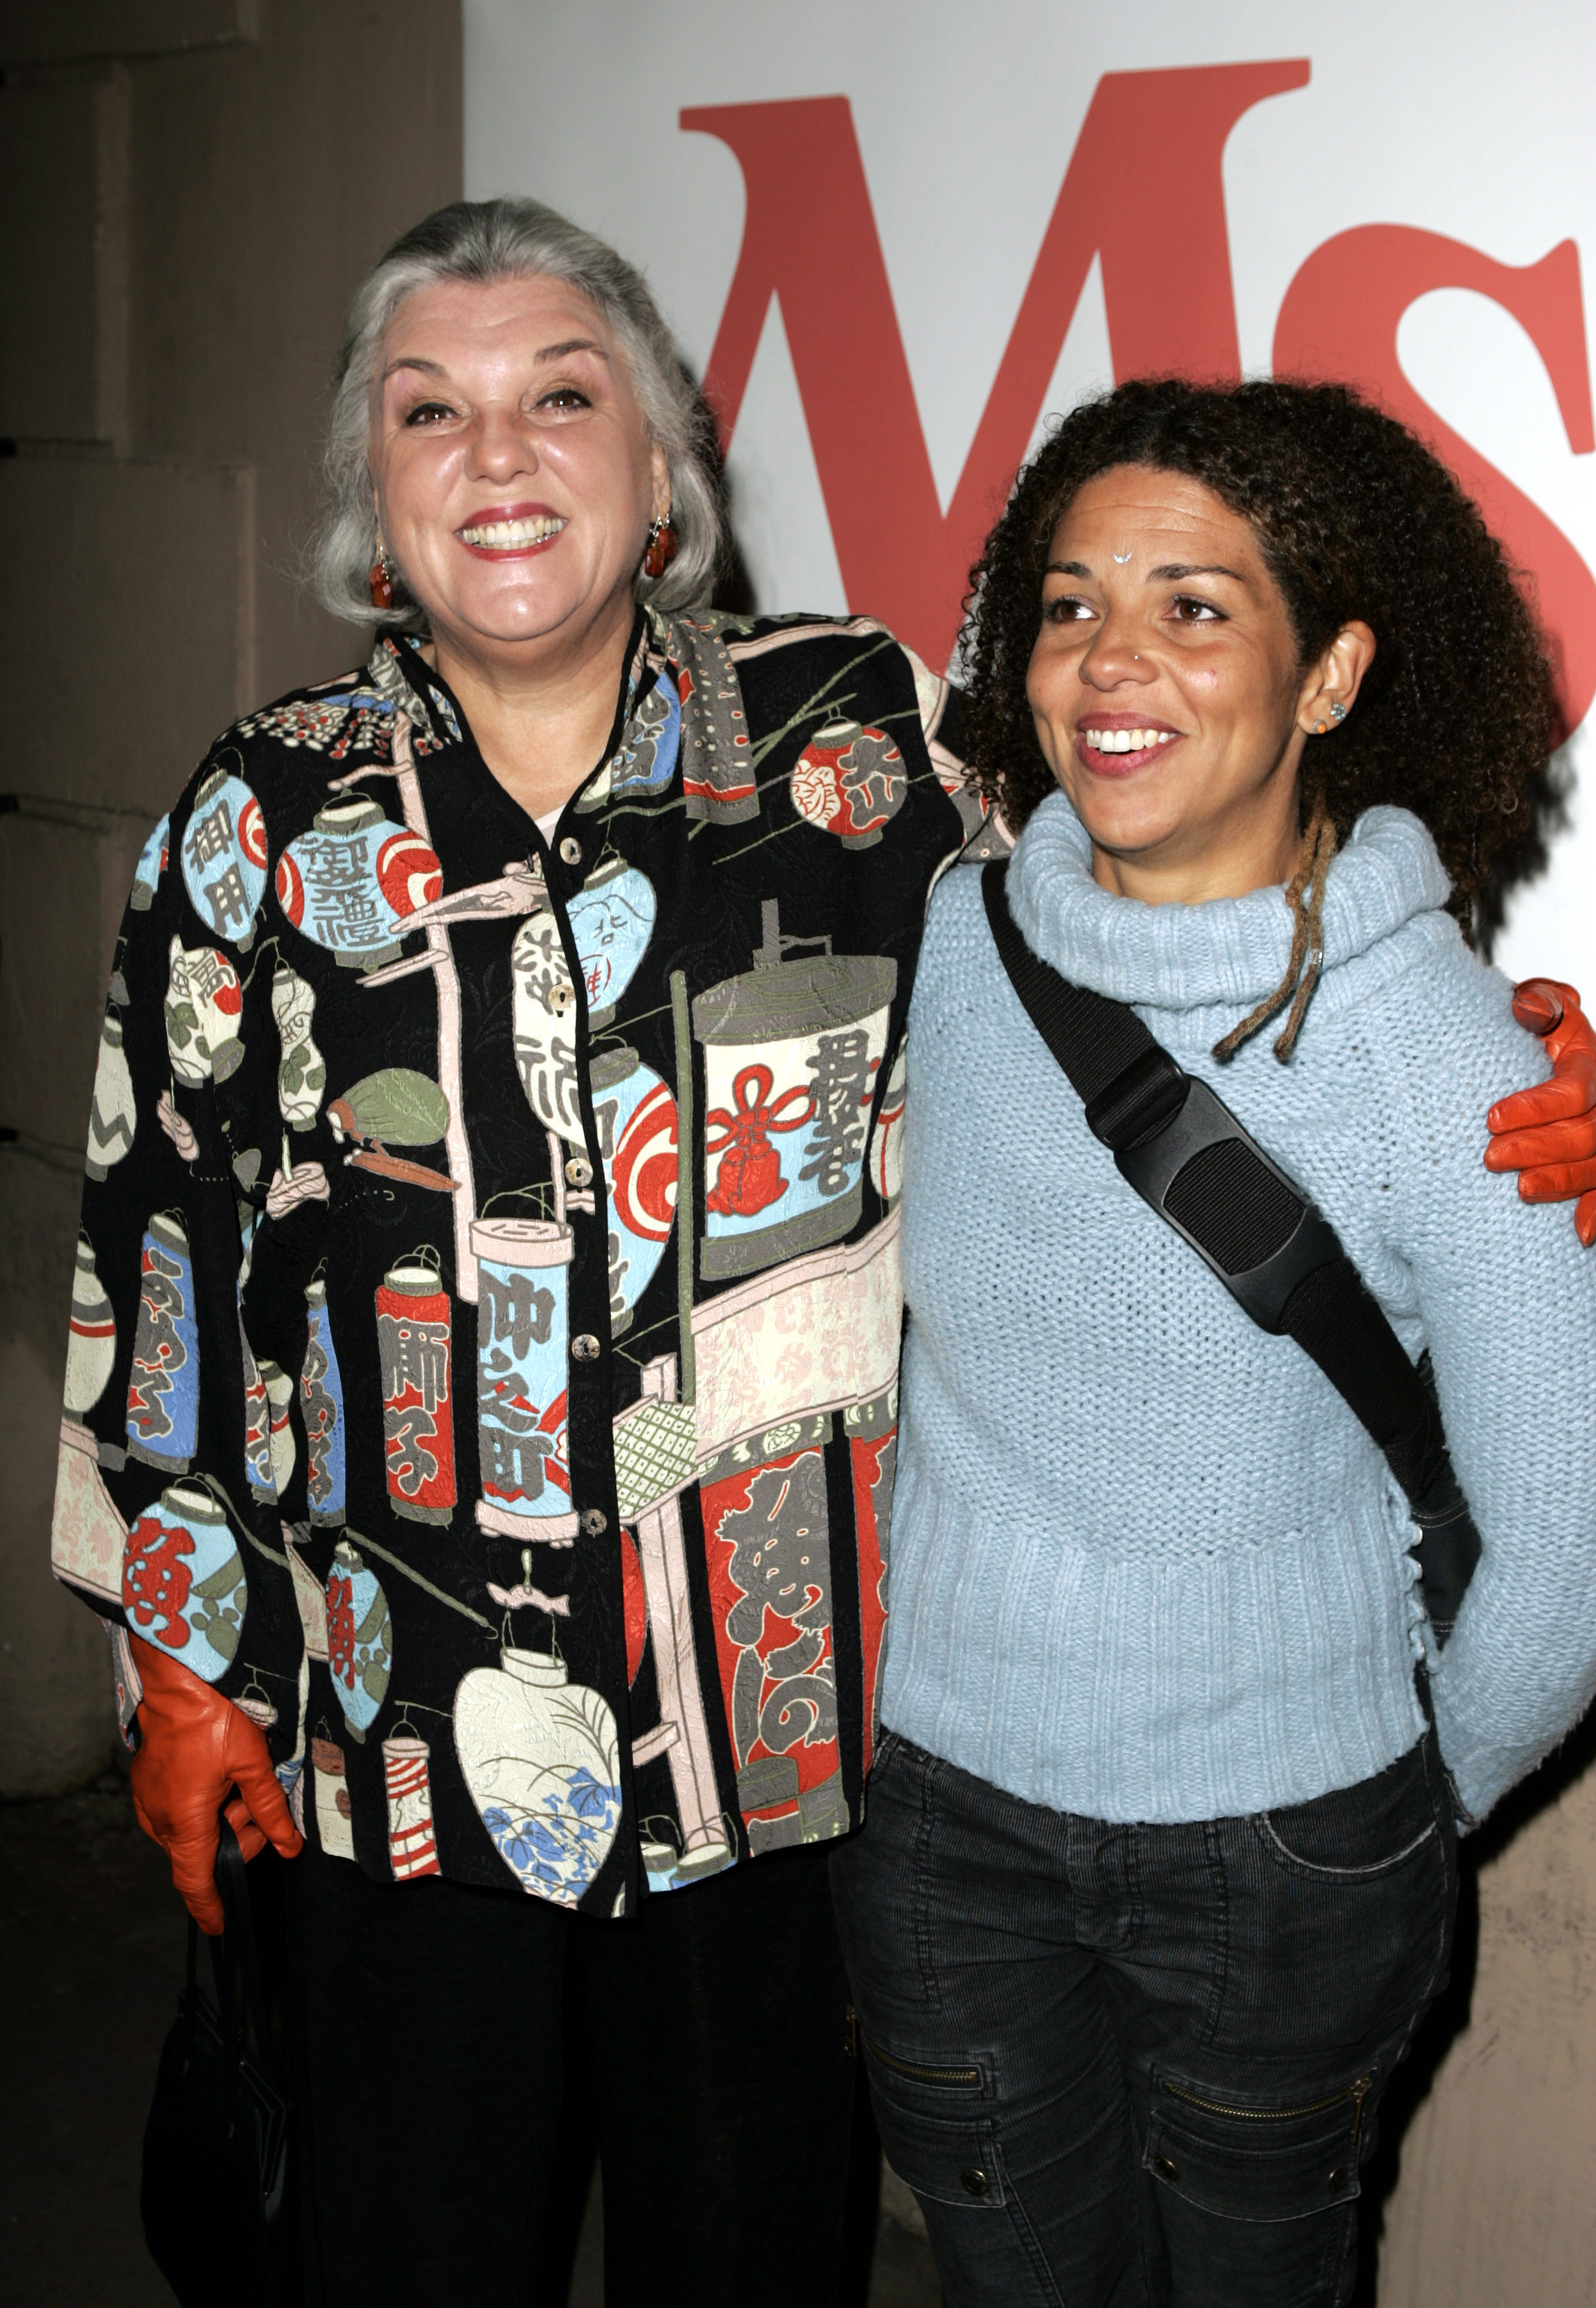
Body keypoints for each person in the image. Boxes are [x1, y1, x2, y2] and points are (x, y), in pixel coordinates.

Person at [45, 203, 1593, 2306]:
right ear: (375, 511)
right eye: (432, 412)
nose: (497, 452)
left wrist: (1519, 1048)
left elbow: (1143, 917)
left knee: (757, 2260)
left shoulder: (848, 750)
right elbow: (160, 1250)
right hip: (392, 1734)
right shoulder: (254, 821)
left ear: (664, 482)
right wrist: (176, 1653)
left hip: (771, 1757)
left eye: (559, 397)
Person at [829, 375, 1596, 2308]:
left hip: (1287, 1856)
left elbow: (1571, 1543)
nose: (1111, 660)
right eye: (1072, 601)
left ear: (1329, 673)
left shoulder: (1445, 1062)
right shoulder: (945, 950)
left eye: (1195, 604)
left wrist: (1408, 1801)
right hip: (943, 1822)